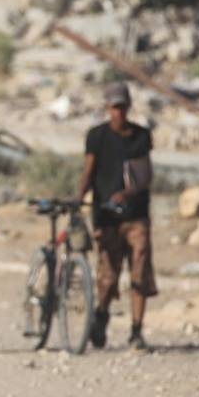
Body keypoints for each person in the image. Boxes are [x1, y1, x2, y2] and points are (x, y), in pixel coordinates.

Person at [75, 82, 157, 351]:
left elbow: (145, 175)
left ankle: (136, 329)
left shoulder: (140, 137)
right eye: (114, 107)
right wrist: (79, 199)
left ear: (128, 107)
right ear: (107, 108)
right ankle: (101, 314)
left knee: (140, 270)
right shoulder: (97, 137)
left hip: (135, 216)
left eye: (122, 107)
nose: (118, 113)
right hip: (106, 217)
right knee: (108, 275)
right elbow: (88, 171)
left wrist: (128, 193)